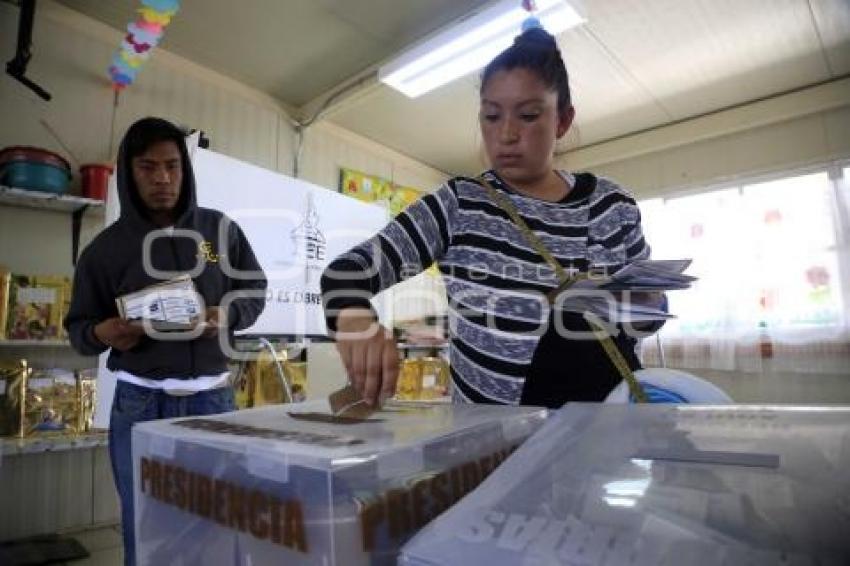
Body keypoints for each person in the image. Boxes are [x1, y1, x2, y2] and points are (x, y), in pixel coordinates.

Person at [321, 25, 665, 408]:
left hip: (610, 434)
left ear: (563, 121)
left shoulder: (613, 205)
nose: (506, 134)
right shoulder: (459, 204)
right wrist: (354, 321)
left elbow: (646, 320)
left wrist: (649, 304)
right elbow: (344, 273)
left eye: (529, 115)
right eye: (491, 116)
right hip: (495, 446)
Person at [64, 117, 267, 565]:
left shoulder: (217, 231)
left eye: (172, 166)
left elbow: (255, 290)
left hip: (212, 402)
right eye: (148, 167)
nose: (162, 178)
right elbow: (78, 328)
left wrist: (227, 314)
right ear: (129, 171)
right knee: (146, 525)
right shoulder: (105, 249)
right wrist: (103, 332)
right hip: (140, 406)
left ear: (185, 170)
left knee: (218, 522)